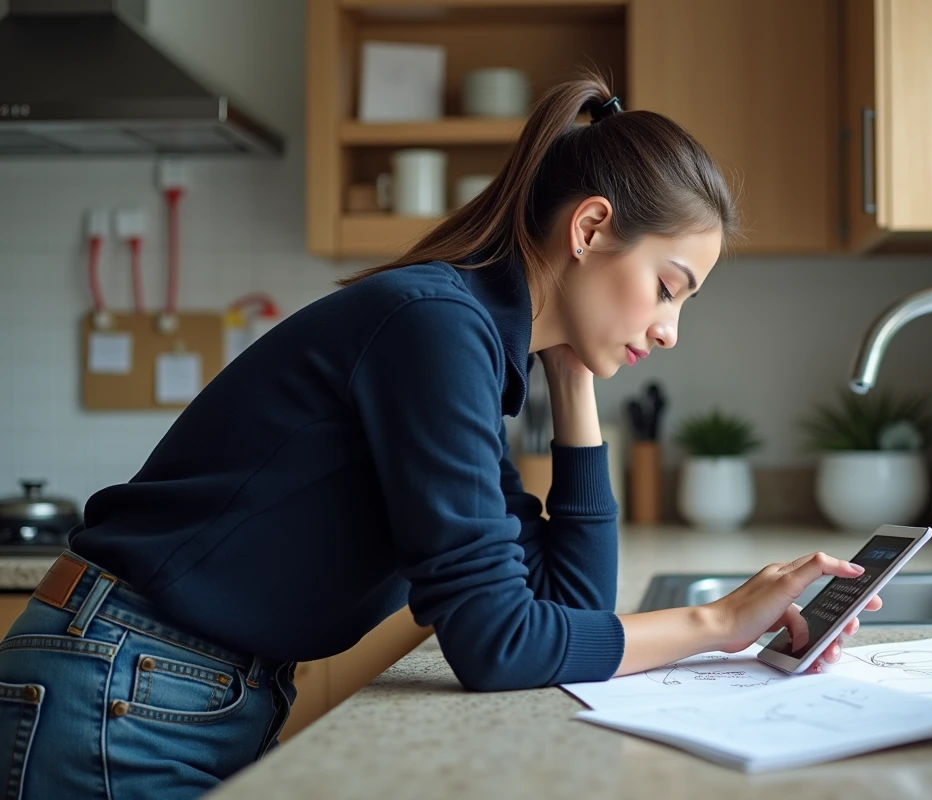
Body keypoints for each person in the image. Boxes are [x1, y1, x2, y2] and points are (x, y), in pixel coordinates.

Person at [0, 74, 880, 799]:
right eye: (668, 286)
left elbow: (565, 611)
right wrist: (721, 619)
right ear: (590, 229)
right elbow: (499, 645)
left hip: (163, 690)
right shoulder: (433, 327)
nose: (669, 330)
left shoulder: (462, 343)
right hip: (122, 684)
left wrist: (573, 383)